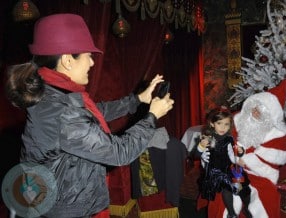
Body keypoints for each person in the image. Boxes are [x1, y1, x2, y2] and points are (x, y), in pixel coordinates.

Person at [4, 13, 174, 218]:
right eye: (88, 56)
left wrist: (137, 100)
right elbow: (120, 152)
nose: (92, 63)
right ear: (67, 60)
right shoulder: (62, 109)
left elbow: (94, 112)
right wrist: (152, 116)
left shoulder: (53, 91)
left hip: (64, 200)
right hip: (72, 210)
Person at [208, 79, 286, 218]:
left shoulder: (277, 135)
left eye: (262, 111)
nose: (256, 113)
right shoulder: (237, 119)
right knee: (223, 195)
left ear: (270, 116)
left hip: (259, 175)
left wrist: (245, 161)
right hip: (232, 169)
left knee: (262, 202)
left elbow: (271, 164)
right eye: (255, 108)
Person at [195, 106, 251, 218]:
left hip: (227, 168)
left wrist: (238, 154)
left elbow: (231, 154)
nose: (223, 127)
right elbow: (196, 154)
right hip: (214, 171)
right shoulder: (208, 138)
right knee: (227, 188)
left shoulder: (229, 139)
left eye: (226, 124)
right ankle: (232, 213)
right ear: (212, 124)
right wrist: (201, 147)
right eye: (219, 123)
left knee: (244, 187)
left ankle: (247, 207)